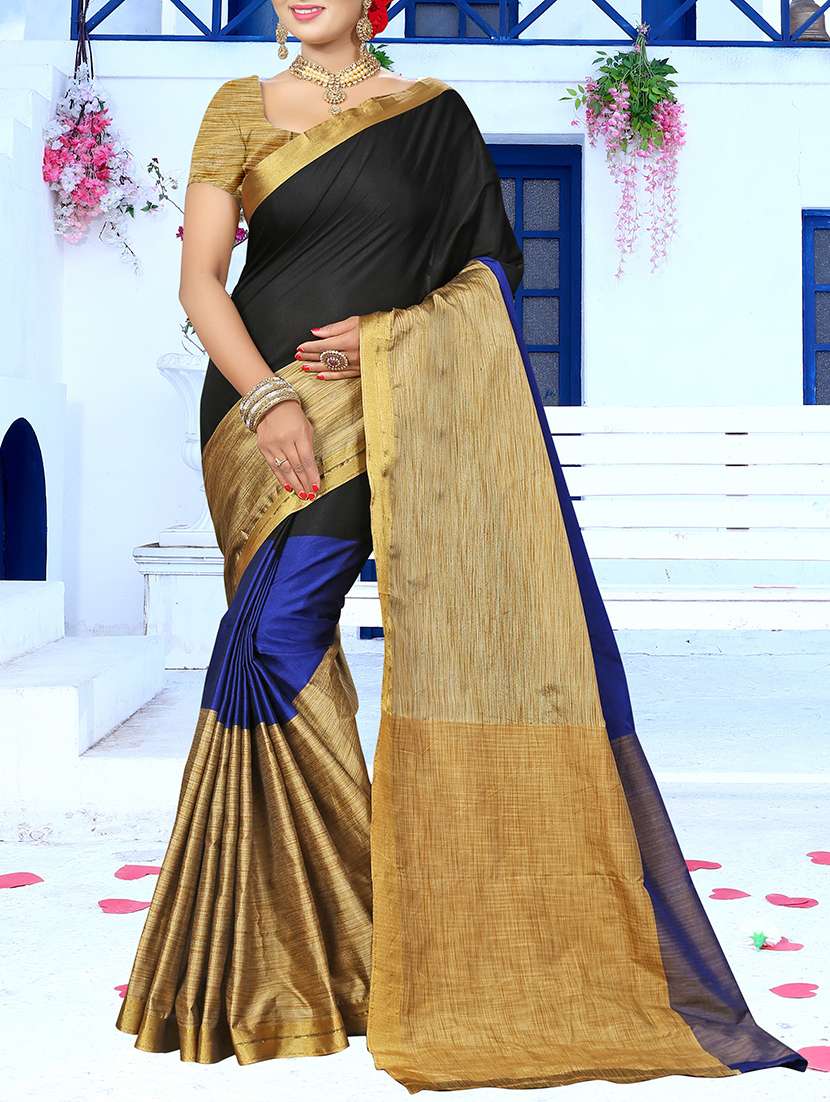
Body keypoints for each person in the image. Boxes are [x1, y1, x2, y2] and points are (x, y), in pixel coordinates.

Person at [115, 0, 807, 1092]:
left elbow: (486, 278)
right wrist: (267, 399)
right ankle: (323, 954)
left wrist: (386, 340)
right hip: (258, 414)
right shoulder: (237, 106)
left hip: (388, 408)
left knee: (273, 648)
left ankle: (355, 944)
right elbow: (201, 279)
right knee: (267, 647)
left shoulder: (432, 113)